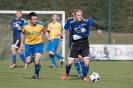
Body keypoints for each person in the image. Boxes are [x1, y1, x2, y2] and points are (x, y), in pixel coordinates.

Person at [60, 9, 102, 82]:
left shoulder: (86, 21)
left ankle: (84, 76)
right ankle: (66, 74)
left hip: (85, 44)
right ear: (75, 16)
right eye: (78, 15)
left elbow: (95, 24)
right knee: (69, 63)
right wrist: (61, 35)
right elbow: (65, 29)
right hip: (75, 44)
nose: (80, 16)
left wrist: (99, 28)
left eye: (81, 15)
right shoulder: (71, 22)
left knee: (86, 62)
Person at [20, 12, 50, 79]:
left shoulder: (41, 24)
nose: (36, 20)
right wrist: (21, 43)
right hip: (28, 44)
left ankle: (36, 74)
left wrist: (48, 38)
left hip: (38, 44)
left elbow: (45, 32)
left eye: (36, 19)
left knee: (37, 62)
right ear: (30, 20)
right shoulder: (25, 25)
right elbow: (22, 33)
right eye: (34, 19)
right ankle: (32, 59)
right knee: (27, 61)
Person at [60, 9, 84, 77]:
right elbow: (65, 28)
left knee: (77, 58)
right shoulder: (69, 20)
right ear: (73, 14)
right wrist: (61, 35)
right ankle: (81, 74)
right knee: (79, 57)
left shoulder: (81, 20)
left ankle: (81, 73)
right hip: (72, 42)